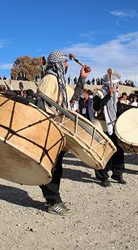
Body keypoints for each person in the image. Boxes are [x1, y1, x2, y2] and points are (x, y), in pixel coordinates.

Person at [36, 50, 89, 216]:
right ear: (58, 63)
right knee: (51, 168)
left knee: (57, 168)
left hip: (58, 131)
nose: (67, 66)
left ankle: (54, 199)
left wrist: (82, 78)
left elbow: (75, 97)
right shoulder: (49, 79)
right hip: (49, 132)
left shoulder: (59, 81)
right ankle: (53, 201)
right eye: (65, 63)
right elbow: (41, 106)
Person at [92, 71, 126, 187]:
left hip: (112, 124)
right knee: (103, 151)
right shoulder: (100, 93)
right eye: (117, 84)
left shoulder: (115, 94)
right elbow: (96, 107)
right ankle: (103, 176)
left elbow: (114, 108)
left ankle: (117, 173)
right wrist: (108, 96)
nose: (118, 87)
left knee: (118, 149)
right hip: (101, 125)